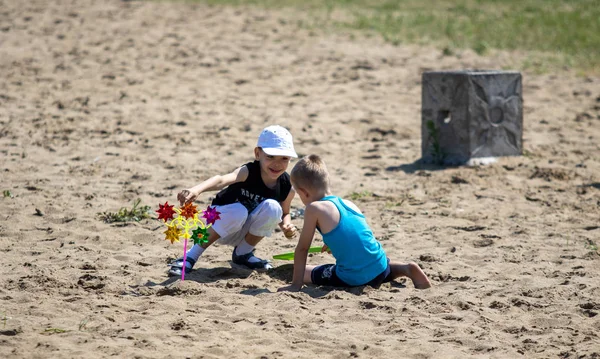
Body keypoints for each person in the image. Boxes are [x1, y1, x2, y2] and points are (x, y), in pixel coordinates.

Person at [277, 155, 431, 292]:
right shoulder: (348, 203)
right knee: (374, 263)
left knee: (305, 272)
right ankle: (405, 268)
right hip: (381, 268)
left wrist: (295, 284)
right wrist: (335, 244)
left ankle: (299, 280)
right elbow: (355, 237)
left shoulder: (313, 208)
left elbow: (303, 249)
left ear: (304, 192)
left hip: (353, 278)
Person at [168, 125, 298, 276]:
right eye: (270, 156)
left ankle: (243, 254)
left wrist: (287, 225)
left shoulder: (287, 185)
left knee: (274, 208)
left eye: (284, 158)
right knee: (239, 211)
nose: (277, 164)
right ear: (257, 153)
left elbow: (285, 212)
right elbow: (221, 179)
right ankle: (190, 255)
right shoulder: (248, 172)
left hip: (245, 228)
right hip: (218, 223)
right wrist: (197, 189)